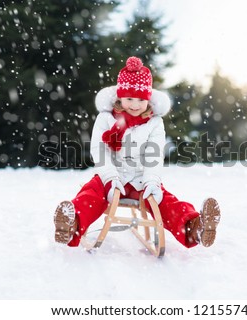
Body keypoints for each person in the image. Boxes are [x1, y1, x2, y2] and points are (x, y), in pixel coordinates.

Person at [53, 57, 221, 249]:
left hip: (142, 178)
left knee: (165, 201)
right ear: (119, 97)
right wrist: (109, 177)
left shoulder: (154, 122)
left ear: (148, 99)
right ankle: (71, 224)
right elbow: (99, 150)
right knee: (91, 194)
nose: (134, 104)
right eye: (129, 98)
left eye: (141, 100)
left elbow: (154, 155)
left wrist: (151, 181)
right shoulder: (106, 118)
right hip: (111, 175)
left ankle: (194, 227)